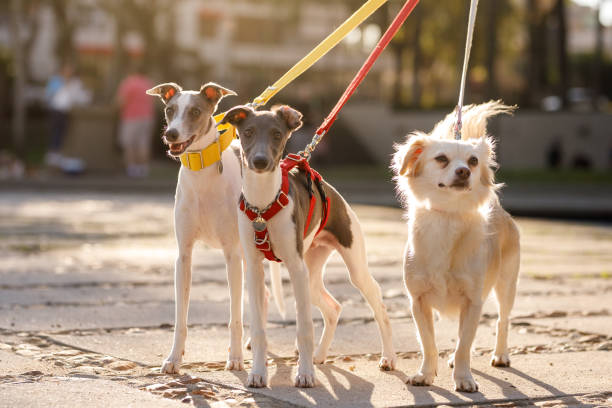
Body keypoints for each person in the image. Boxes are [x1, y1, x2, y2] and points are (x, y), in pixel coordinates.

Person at [44, 63, 91, 168]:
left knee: (62, 131)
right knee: (56, 131)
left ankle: (58, 153)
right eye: (67, 70)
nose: (69, 73)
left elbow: (79, 96)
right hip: (56, 110)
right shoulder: (56, 81)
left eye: (70, 71)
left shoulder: (74, 83)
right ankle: (53, 154)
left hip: (66, 111)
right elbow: (49, 94)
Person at [116, 64, 155, 178]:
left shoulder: (129, 82)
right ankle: (143, 169)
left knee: (129, 144)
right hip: (147, 117)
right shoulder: (148, 83)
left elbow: (121, 101)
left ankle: (132, 170)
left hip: (131, 117)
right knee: (143, 144)